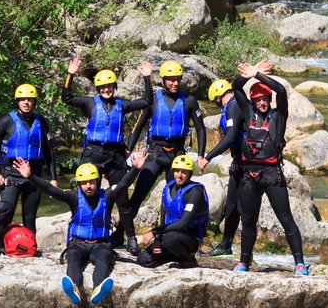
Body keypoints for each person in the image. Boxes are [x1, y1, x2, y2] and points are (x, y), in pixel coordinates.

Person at [11, 149, 145, 305]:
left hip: (100, 244)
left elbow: (123, 184)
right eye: (84, 183)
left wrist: (136, 168)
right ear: (79, 184)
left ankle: (98, 288)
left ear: (97, 181)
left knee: (104, 257)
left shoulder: (107, 195)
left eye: (91, 182)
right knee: (73, 257)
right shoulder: (73, 197)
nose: (88, 186)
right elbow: (51, 189)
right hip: (78, 244)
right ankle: (74, 287)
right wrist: (30, 176)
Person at [212, 60, 307, 276]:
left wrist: (258, 75)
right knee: (248, 221)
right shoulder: (247, 113)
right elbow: (236, 87)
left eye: (265, 99)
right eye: (258, 99)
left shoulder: (278, 115)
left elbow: (281, 90)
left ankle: (300, 263)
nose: (262, 102)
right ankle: (244, 262)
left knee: (286, 219)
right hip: (249, 176)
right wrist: (249, 75)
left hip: (272, 175)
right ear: (253, 101)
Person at [60, 58, 152, 254]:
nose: (106, 90)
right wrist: (70, 74)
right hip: (93, 153)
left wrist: (146, 78)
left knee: (121, 197)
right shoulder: (89, 103)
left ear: (114, 87)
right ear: (98, 88)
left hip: (115, 155)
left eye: (109, 86)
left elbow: (146, 102)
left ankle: (131, 239)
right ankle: (77, 236)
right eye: (102, 87)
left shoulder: (122, 105)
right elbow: (66, 98)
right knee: (84, 196)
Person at [127, 60, 208, 227]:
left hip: (177, 154)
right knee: (138, 194)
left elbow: (200, 128)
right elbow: (139, 125)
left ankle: (164, 232)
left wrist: (200, 154)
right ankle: (122, 232)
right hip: (155, 152)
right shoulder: (154, 99)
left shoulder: (189, 100)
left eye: (178, 79)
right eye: (171, 79)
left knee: (174, 197)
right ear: (163, 80)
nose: (175, 83)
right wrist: (128, 150)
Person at [0, 83, 58, 252]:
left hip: (34, 175)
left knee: (30, 216)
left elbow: (49, 151)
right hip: (10, 174)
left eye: (30, 99)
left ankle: (30, 249)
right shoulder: (6, 121)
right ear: (17, 101)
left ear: (34, 102)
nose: (26, 102)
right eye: (22, 99)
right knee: (6, 213)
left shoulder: (41, 122)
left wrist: (53, 178)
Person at [136, 154, 209, 268]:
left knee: (169, 239)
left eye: (184, 172)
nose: (179, 175)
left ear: (190, 173)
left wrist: (155, 232)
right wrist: (157, 240)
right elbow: (163, 215)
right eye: (177, 171)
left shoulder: (195, 192)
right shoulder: (168, 188)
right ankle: (177, 256)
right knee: (143, 260)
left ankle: (188, 260)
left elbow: (183, 223)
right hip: (168, 235)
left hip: (191, 237)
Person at [205, 78, 241, 257]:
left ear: (219, 97)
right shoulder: (234, 105)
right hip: (239, 163)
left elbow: (231, 136)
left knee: (239, 207)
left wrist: (208, 157)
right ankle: (225, 245)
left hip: (246, 164)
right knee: (232, 205)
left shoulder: (234, 107)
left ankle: (232, 248)